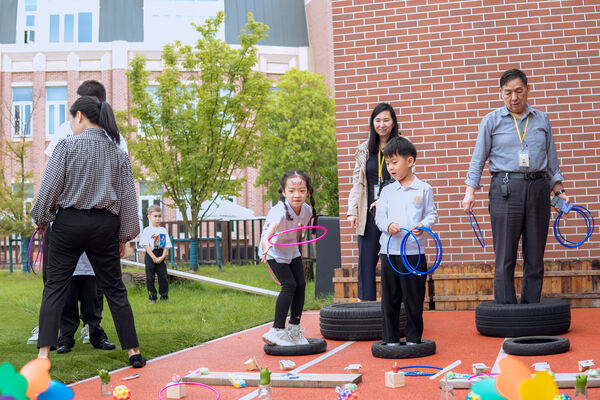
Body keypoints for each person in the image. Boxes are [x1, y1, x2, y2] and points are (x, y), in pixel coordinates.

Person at [31, 96, 146, 367]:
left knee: (55, 287)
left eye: (71, 118)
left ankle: (43, 354)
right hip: (104, 225)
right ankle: (134, 351)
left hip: (69, 223)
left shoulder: (66, 146)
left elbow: (50, 188)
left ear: (79, 116)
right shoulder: (117, 151)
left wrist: (42, 218)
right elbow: (129, 196)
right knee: (115, 289)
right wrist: (124, 236)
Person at [461, 68, 569, 304]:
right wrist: (470, 192)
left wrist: (559, 191)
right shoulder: (491, 121)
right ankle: (507, 311)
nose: (514, 97)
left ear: (528, 90)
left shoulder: (542, 119)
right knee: (505, 256)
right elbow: (478, 158)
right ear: (501, 93)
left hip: (538, 189)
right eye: (508, 92)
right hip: (505, 189)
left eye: (519, 91)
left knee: (535, 255)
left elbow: (552, 160)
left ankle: (531, 309)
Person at [375, 136, 438, 345]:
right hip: (390, 253)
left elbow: (431, 214)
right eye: (388, 163)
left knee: (413, 298)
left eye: (395, 162)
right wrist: (388, 225)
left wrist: (423, 225)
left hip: (414, 253)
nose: (390, 168)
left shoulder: (424, 188)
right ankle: (390, 339)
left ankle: (413, 339)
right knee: (390, 298)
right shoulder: (387, 190)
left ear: (410, 161)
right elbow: (379, 217)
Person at [346, 103, 400, 301]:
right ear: (372, 123)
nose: (382, 124)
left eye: (386, 120)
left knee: (392, 259)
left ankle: (395, 305)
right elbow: (357, 184)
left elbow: (405, 179)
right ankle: (365, 304)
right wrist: (352, 211)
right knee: (366, 260)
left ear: (393, 122)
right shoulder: (363, 149)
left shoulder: (401, 145)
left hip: (394, 214)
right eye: (378, 120)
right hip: (368, 214)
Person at [260, 170, 317, 346]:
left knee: (301, 284)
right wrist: (266, 243)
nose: (297, 195)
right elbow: (273, 226)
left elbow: (298, 233)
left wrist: (298, 236)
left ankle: (294, 328)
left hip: (291, 251)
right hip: (273, 251)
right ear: (284, 193)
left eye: (301, 191)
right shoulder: (279, 210)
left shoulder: (307, 211)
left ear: (307, 192)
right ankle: (276, 330)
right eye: (291, 191)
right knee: (289, 284)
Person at [139, 204, 172, 303]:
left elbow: (167, 245)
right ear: (149, 217)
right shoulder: (147, 230)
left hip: (161, 255)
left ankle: (164, 296)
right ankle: (152, 297)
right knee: (150, 278)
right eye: (155, 216)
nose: (157, 219)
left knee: (163, 277)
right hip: (150, 256)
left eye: (159, 216)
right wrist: (153, 257)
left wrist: (162, 257)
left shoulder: (163, 230)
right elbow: (146, 245)